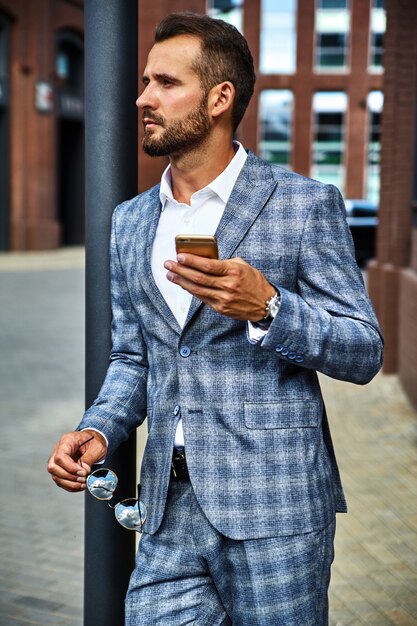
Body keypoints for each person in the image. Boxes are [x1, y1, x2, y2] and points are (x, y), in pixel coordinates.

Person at [47, 12, 383, 625]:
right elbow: (134, 357)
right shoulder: (131, 221)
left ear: (220, 97)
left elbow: (364, 351)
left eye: (166, 83)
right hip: (167, 510)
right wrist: (98, 430)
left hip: (275, 509)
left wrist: (272, 308)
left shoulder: (304, 205)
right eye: (145, 81)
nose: (144, 98)